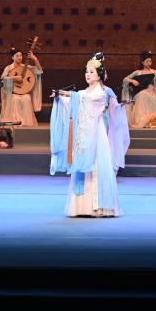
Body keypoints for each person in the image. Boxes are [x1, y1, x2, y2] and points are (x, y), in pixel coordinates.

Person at [49, 52, 130, 217]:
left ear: (99, 74)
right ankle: (81, 207)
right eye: (86, 71)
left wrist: (65, 94)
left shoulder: (101, 92)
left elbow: (84, 98)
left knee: (96, 164)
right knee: (82, 163)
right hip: (84, 133)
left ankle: (99, 206)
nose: (88, 74)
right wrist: (60, 97)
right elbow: (79, 98)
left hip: (96, 134)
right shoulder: (86, 91)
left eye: (91, 72)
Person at [122, 50, 156, 128]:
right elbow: (125, 79)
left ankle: (152, 121)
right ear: (142, 62)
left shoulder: (155, 72)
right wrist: (132, 81)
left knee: (153, 97)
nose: (149, 63)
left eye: (150, 61)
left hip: (152, 93)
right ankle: (142, 120)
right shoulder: (137, 72)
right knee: (143, 94)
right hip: (140, 93)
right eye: (147, 61)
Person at [0, 47, 43, 127]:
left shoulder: (25, 67)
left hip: (24, 93)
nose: (19, 57)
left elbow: (39, 71)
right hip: (13, 93)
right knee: (15, 99)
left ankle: (26, 123)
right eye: (17, 56)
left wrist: (35, 59)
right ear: (13, 57)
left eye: (21, 56)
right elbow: (2, 80)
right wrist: (13, 78)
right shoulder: (9, 68)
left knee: (27, 98)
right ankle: (15, 123)